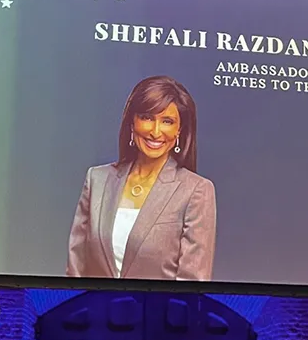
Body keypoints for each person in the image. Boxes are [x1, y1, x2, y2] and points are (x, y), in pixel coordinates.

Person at [67, 75, 217, 280]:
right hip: (95, 311)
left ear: (179, 131)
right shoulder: (97, 180)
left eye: (167, 121)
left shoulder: (196, 190)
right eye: (147, 118)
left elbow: (191, 288)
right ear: (132, 122)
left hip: (159, 312)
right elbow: (75, 272)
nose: (155, 132)